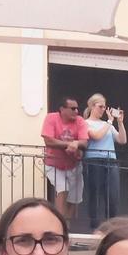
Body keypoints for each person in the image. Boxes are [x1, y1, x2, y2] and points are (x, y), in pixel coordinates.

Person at [80, 94, 126, 231]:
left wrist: (120, 122)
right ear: (92, 106)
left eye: (104, 107)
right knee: (94, 194)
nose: (103, 110)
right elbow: (97, 136)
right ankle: (94, 227)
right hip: (94, 161)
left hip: (110, 161)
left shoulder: (107, 125)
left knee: (113, 195)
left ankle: (111, 227)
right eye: (100, 106)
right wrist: (110, 122)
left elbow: (122, 140)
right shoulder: (85, 123)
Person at [41, 96, 90, 224]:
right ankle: (59, 223)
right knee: (62, 189)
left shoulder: (80, 121)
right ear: (62, 109)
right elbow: (48, 141)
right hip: (54, 164)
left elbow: (84, 143)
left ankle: (65, 224)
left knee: (75, 199)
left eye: (77, 108)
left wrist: (76, 144)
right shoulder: (51, 118)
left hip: (74, 165)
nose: (77, 111)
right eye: (73, 108)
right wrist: (71, 144)